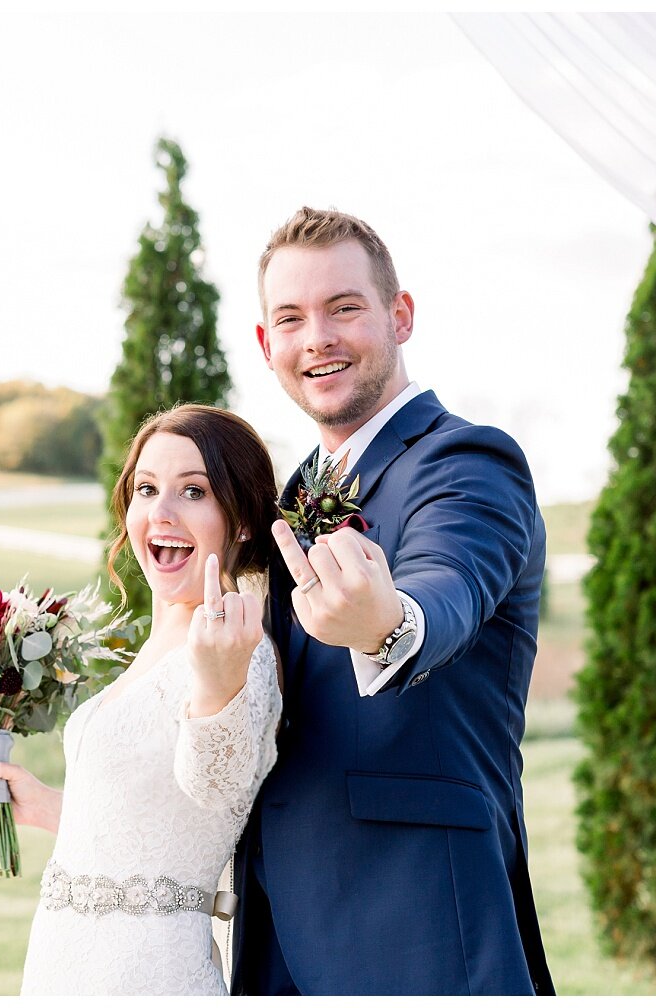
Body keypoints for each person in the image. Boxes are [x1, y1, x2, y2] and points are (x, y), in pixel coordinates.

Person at [231, 207, 554, 995]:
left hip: (416, 922)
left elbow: (449, 587)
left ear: (399, 315)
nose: (318, 339)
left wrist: (386, 623)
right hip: (279, 930)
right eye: (292, 319)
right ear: (267, 343)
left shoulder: (467, 461)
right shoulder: (293, 495)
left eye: (345, 308)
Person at [0, 404, 282, 995]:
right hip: (65, 961)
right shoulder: (155, 645)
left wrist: (216, 686)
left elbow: (220, 787)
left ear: (240, 522)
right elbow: (161, 828)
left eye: (193, 491)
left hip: (146, 975)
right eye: (146, 488)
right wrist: (50, 806)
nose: (161, 511)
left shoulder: (237, 649)